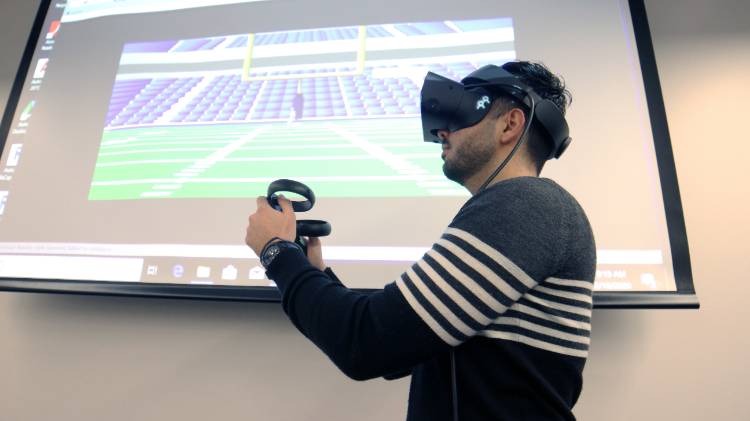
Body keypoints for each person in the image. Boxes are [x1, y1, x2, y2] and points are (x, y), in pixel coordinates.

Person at [245, 61, 596, 421]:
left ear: (510, 124)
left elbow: (366, 345)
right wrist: (313, 272)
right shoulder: (518, 210)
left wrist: (277, 252)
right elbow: (400, 346)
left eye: (463, 111)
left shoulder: (526, 205)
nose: (442, 131)